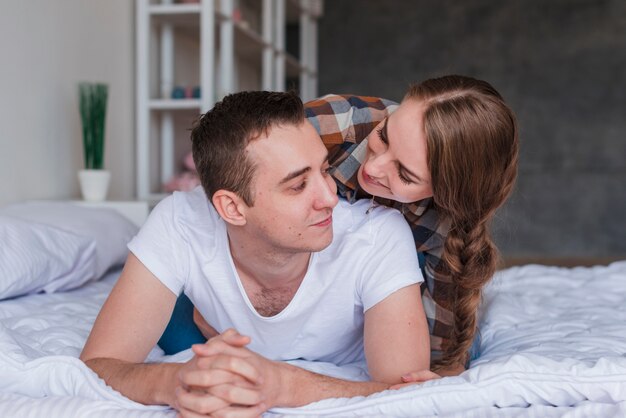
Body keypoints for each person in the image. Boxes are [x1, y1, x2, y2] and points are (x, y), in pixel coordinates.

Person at [80, 90, 431, 416]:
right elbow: (99, 364)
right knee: (173, 330)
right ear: (231, 208)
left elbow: (404, 391)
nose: (330, 198)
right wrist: (175, 382)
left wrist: (284, 384)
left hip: (372, 276)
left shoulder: (379, 234)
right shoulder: (179, 219)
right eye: (297, 185)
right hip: (201, 317)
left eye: (325, 170)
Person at [169, 74, 520, 377]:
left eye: (405, 174)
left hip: (358, 292)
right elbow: (231, 166)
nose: (375, 168)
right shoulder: (338, 124)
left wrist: (438, 367)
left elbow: (431, 358)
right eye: (384, 137)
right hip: (261, 261)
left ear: (443, 194)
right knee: (175, 334)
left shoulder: (443, 229)